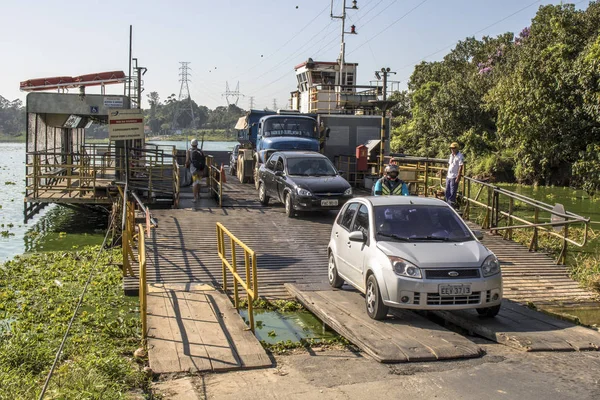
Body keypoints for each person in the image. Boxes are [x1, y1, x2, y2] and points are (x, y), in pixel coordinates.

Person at [185, 139, 206, 203]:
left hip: (194, 169)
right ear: (197, 144)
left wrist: (186, 165)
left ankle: (194, 198)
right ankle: (198, 195)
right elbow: (203, 159)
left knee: (195, 183)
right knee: (198, 182)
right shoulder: (201, 151)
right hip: (200, 169)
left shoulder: (189, 151)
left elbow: (187, 160)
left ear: (191, 144)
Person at [445, 142, 464, 208]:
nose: (452, 149)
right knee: (447, 191)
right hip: (449, 176)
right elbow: (450, 165)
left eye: (453, 148)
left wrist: (458, 177)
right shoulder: (451, 155)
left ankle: (451, 206)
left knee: (452, 193)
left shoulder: (460, 156)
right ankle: (447, 205)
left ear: (457, 148)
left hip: (454, 177)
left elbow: (461, 166)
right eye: (451, 148)